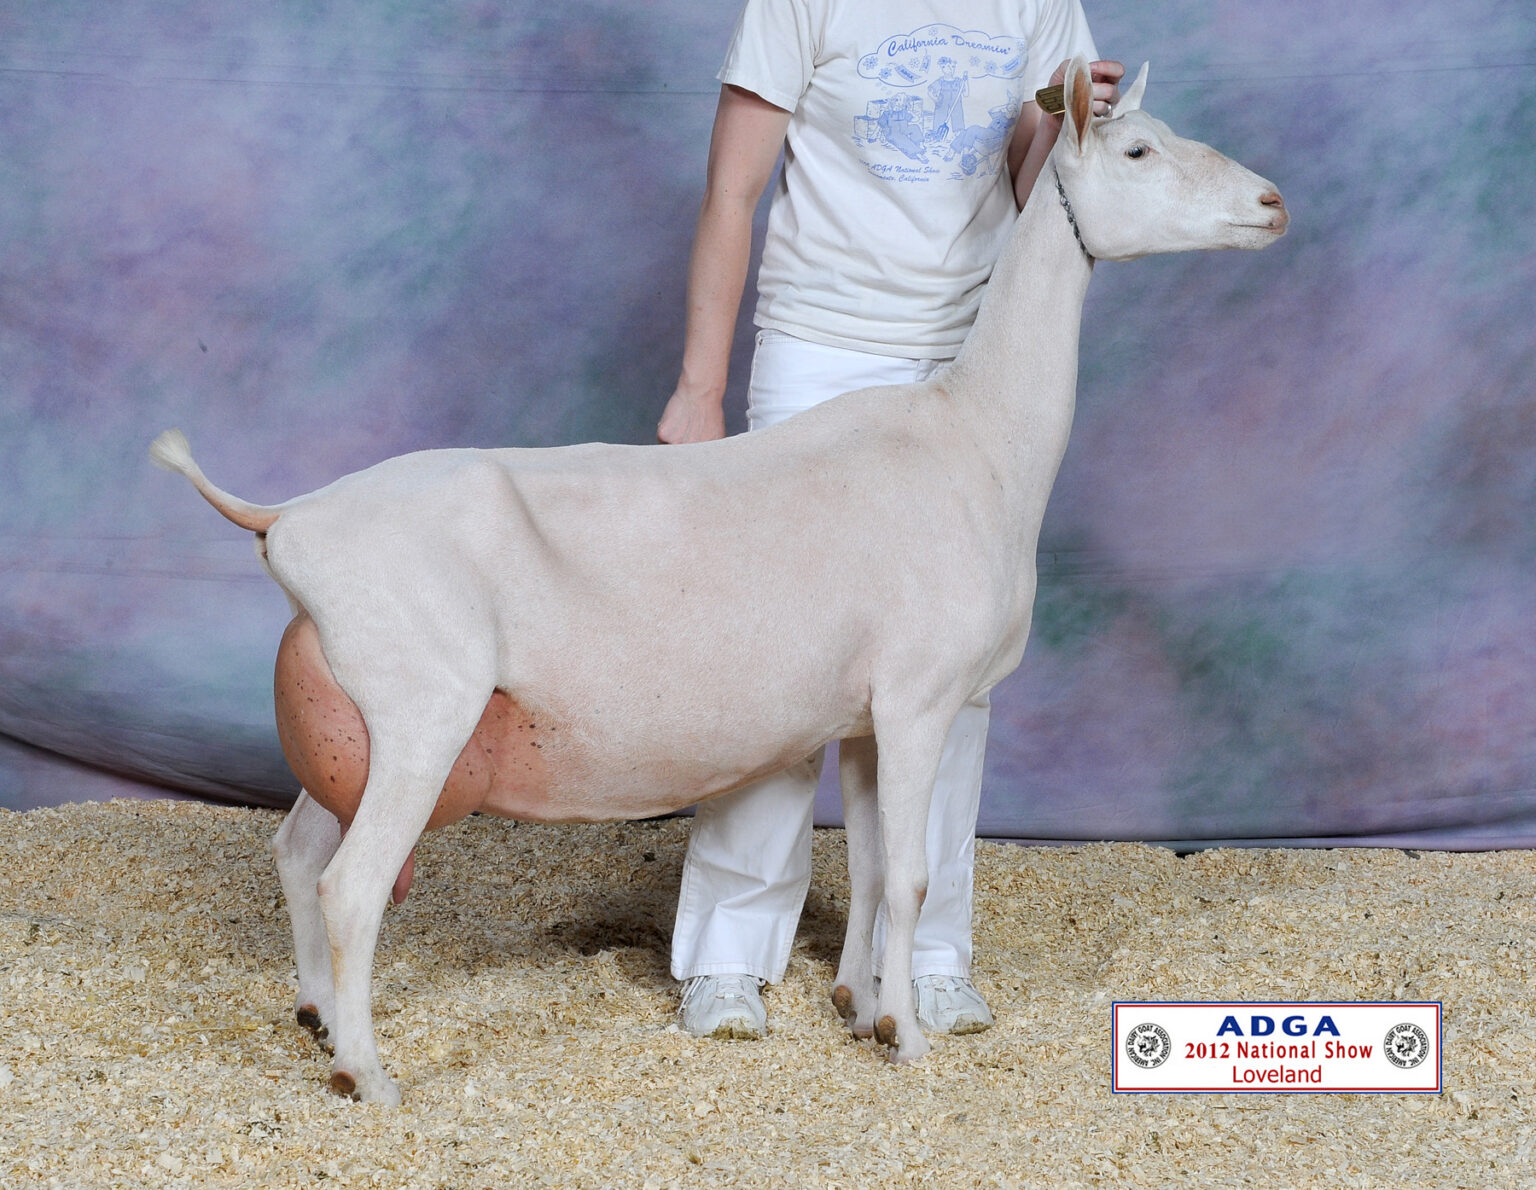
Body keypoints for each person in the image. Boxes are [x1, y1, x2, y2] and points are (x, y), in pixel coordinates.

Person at [657, 0, 1122, 1041]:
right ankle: (730, 952)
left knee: (952, 669)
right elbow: (732, 191)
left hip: (970, 350)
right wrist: (699, 389)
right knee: (776, 653)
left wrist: (1059, 116)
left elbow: (1041, 191)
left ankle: (926, 953)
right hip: (820, 344)